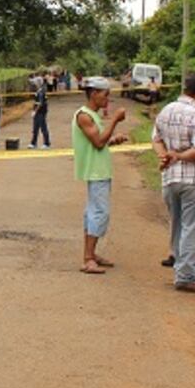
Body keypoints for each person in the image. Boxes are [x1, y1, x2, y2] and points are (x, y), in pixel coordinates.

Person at [152, 72, 195, 294]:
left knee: (180, 224)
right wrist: (178, 156)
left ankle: (184, 267)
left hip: (171, 179)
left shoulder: (166, 110)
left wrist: (165, 157)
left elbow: (156, 138)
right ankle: (186, 275)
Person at [73, 77, 129, 274]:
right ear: (94, 94)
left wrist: (113, 140)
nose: (108, 99)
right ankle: (88, 258)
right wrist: (114, 120)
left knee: (93, 212)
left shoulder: (92, 115)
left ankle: (91, 254)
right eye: (105, 95)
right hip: (96, 171)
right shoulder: (84, 116)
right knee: (99, 212)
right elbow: (97, 142)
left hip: (99, 169)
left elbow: (100, 142)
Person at [29, 78, 50, 149]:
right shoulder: (38, 91)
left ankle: (47, 143)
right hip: (38, 112)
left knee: (43, 127)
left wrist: (35, 111)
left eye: (35, 83)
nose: (34, 85)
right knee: (35, 128)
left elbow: (40, 103)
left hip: (41, 112)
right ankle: (33, 143)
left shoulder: (41, 91)